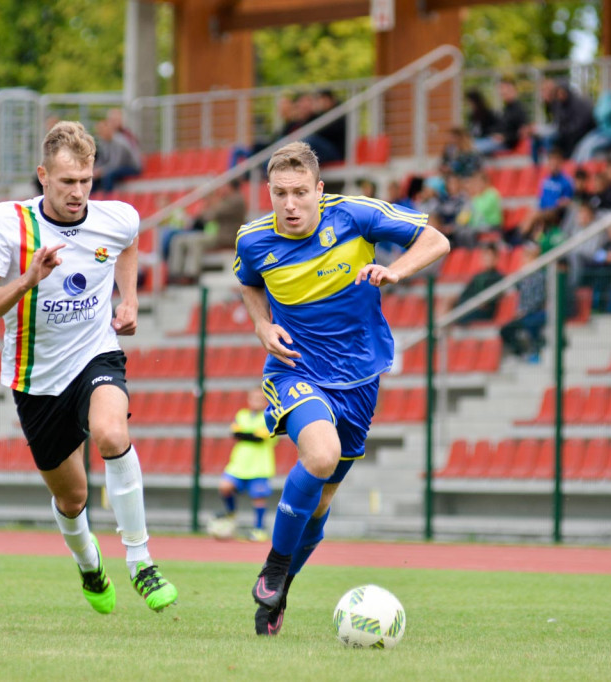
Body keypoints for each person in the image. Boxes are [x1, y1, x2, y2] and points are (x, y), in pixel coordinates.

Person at [233, 141, 449, 636]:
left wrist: (395, 270)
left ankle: (279, 592)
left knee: (322, 505)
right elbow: (249, 283)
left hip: (359, 379)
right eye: (280, 194)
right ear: (268, 192)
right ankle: (274, 565)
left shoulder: (354, 215)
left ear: (319, 190)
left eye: (301, 193)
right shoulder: (253, 240)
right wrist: (263, 328)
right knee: (321, 453)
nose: (290, 205)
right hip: (295, 370)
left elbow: (436, 240)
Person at [0, 121, 177, 615]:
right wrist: (29, 279)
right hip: (35, 379)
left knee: (110, 432)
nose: (79, 192)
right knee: (73, 497)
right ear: (43, 176)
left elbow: (129, 240)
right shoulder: (6, 223)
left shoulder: (116, 215)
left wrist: (130, 299)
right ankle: (89, 564)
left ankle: (141, 562)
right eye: (67, 182)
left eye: (86, 180)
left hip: (95, 354)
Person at [215, 389, 278, 542]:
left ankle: (259, 529)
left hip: (259, 465)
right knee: (225, 486)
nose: (256, 401)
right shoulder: (242, 414)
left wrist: (246, 434)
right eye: (253, 398)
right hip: (239, 464)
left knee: (258, 498)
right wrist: (251, 434)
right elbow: (235, 433)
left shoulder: (270, 417)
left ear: (266, 400)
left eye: (260, 398)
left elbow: (260, 438)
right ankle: (231, 513)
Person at [167, 179, 248, 283]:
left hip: (227, 236)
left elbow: (211, 215)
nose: (223, 189)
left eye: (225, 186)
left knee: (196, 241)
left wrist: (211, 199)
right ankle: (175, 274)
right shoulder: (227, 199)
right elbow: (204, 216)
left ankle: (191, 274)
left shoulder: (236, 200)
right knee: (178, 240)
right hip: (220, 234)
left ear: (230, 186)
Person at [499, 242, 547, 361]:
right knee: (505, 330)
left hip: (535, 313)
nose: (525, 259)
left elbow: (539, 298)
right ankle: (521, 353)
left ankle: (535, 351)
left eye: (529, 256)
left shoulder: (540, 276)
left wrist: (525, 311)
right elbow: (511, 287)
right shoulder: (523, 276)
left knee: (531, 325)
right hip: (524, 314)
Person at [572, 80, 611, 163]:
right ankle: (575, 167)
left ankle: (585, 168)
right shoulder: (607, 97)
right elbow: (599, 116)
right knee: (582, 145)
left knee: (590, 147)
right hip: (601, 131)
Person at [450, 243, 503, 325]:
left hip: (484, 311)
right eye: (486, 256)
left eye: (490, 256)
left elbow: (492, 300)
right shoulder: (478, 276)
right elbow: (465, 294)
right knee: (450, 301)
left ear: (496, 258)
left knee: (455, 315)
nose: (487, 259)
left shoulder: (498, 277)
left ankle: (439, 330)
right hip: (471, 306)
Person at [91, 109, 142, 193]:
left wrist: (101, 171)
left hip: (131, 167)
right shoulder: (104, 142)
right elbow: (103, 160)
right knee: (93, 178)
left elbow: (116, 164)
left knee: (108, 175)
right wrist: (95, 170)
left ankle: (108, 199)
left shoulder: (120, 140)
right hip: (118, 166)